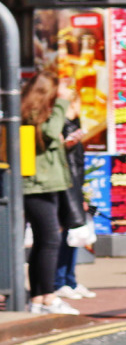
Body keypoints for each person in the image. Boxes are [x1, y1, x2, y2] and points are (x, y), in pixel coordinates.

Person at [20, 70, 77, 314]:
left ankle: (39, 299)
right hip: (36, 186)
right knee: (50, 241)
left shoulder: (37, 114)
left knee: (45, 242)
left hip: (45, 184)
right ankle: (48, 297)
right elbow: (51, 133)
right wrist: (63, 102)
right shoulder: (33, 113)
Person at [53, 93, 94, 301]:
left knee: (75, 233)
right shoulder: (58, 124)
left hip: (74, 185)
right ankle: (59, 281)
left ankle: (70, 279)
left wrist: (82, 194)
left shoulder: (74, 124)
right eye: (77, 102)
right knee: (64, 234)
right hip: (64, 185)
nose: (79, 106)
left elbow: (78, 164)